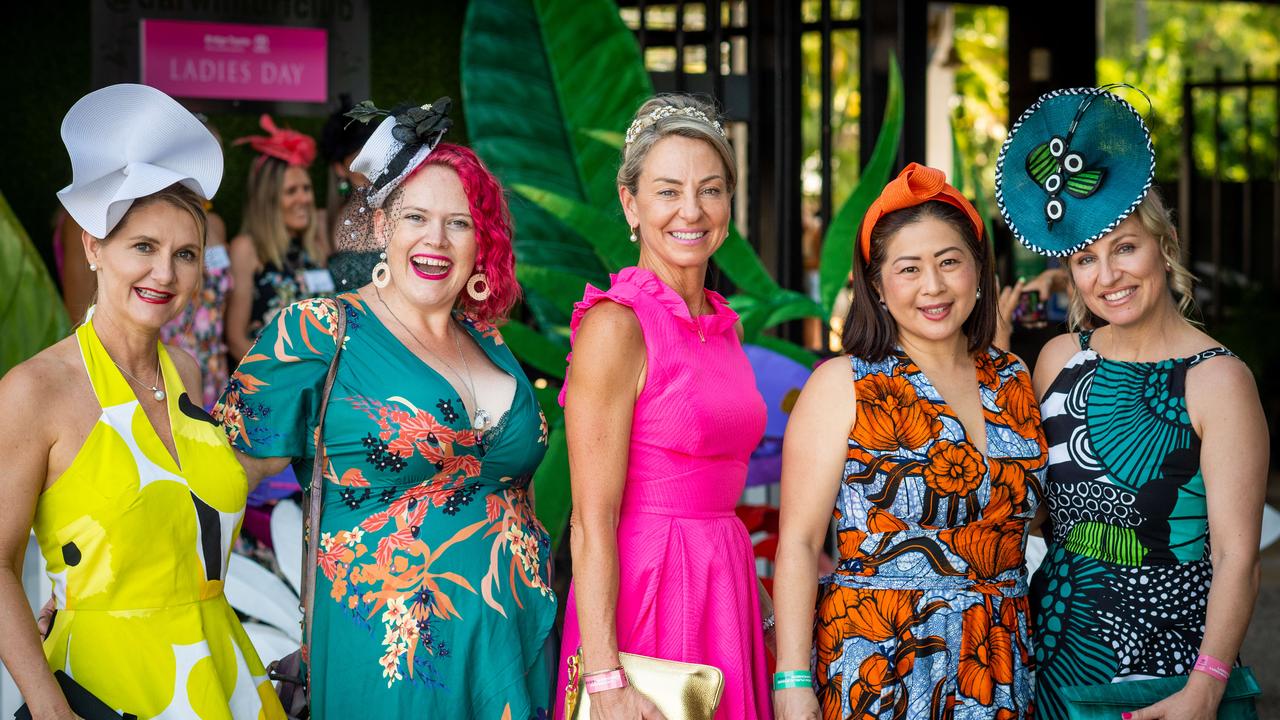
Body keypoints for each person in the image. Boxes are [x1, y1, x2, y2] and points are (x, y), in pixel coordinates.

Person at [214, 98, 556, 719]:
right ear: (378, 226)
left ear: (482, 241)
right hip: (390, 669)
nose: (437, 239)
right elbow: (220, 482)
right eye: (416, 216)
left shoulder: (492, 340)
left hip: (513, 658)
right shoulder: (317, 333)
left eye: (459, 222)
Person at [0, 83, 283, 719]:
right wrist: (49, 709)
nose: (165, 275)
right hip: (105, 685)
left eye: (185, 254)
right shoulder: (36, 391)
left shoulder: (185, 371)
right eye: (143, 248)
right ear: (93, 248)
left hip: (222, 670)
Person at [994, 86, 1266, 719]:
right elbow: (1025, 508)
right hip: (1054, 651)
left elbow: (1236, 556)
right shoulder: (1060, 361)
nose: (1107, 276)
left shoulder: (1218, 380)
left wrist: (1207, 684)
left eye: (1124, 248)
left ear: (1162, 243)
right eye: (1086, 259)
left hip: (1172, 668)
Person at [772, 163, 1047, 719]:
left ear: (978, 270)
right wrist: (793, 679)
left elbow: (1028, 517)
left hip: (1000, 659)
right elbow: (799, 543)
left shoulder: (1014, 377)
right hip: (880, 660)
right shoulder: (844, 384)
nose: (933, 286)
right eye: (909, 268)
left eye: (950, 262)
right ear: (876, 284)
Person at [554, 94, 772, 720]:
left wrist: (759, 612)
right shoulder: (616, 326)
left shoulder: (723, 326)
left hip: (724, 579)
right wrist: (604, 678)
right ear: (631, 203)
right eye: (668, 191)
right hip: (650, 588)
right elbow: (591, 520)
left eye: (710, 190)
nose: (691, 211)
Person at [225, 114, 331, 362]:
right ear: (269, 200)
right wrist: (281, 383)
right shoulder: (248, 249)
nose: (304, 199)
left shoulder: (315, 247)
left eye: (306, 189)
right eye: (291, 191)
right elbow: (235, 338)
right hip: (272, 387)